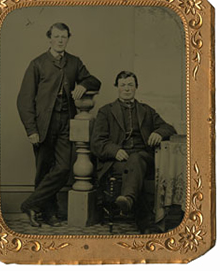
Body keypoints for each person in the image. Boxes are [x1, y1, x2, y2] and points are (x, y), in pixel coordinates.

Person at [17, 22, 101, 227]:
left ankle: (29, 205)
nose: (60, 40)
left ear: (68, 38)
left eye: (64, 37)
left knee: (63, 168)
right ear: (50, 39)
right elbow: (24, 100)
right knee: (43, 170)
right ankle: (49, 213)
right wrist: (31, 130)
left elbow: (94, 81)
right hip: (43, 124)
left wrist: (82, 84)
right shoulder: (37, 64)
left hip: (66, 122)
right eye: (56, 37)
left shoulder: (74, 62)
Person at [91, 71, 176, 219]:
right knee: (136, 175)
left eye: (130, 85)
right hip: (118, 161)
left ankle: (128, 199)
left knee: (136, 160)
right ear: (117, 87)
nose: (127, 89)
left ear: (136, 87)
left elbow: (169, 128)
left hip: (143, 158)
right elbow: (97, 142)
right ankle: (145, 223)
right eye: (123, 85)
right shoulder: (105, 112)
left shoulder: (146, 110)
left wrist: (159, 133)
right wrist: (115, 150)